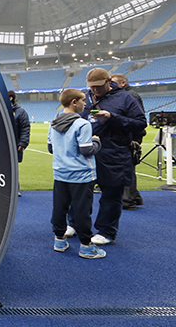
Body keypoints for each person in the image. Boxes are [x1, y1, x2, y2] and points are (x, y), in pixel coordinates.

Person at [80, 67, 146, 246]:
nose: (95, 90)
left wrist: (112, 117)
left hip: (114, 154)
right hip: (86, 154)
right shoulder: (84, 98)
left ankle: (106, 231)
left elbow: (140, 124)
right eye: (92, 87)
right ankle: (76, 224)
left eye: (98, 87)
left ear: (109, 81)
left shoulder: (127, 98)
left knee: (111, 194)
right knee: (80, 192)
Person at [48, 89, 106, 259]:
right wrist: (96, 141)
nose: (86, 104)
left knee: (59, 208)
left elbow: (51, 148)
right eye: (82, 100)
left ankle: (59, 240)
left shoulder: (54, 123)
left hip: (60, 173)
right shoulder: (82, 124)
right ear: (74, 102)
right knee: (82, 211)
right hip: (81, 175)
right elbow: (87, 150)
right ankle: (86, 246)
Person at [111, 73, 146, 210]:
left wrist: (134, 139)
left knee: (127, 167)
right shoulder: (128, 95)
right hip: (131, 135)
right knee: (128, 166)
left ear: (122, 83)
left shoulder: (129, 96)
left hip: (131, 136)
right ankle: (135, 197)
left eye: (113, 83)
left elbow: (137, 120)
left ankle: (128, 200)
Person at [8, 90, 29, 197]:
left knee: (13, 167)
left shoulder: (20, 112)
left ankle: (15, 189)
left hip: (15, 145)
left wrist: (22, 142)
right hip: (2, 145)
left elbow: (25, 128)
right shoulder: (1, 110)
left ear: (11, 98)